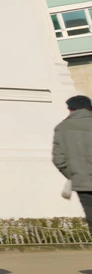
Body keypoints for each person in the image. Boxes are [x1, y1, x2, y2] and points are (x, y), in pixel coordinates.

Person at [53, 94, 92, 231]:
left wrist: (75, 175)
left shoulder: (62, 128)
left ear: (70, 109)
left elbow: (58, 159)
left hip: (83, 183)